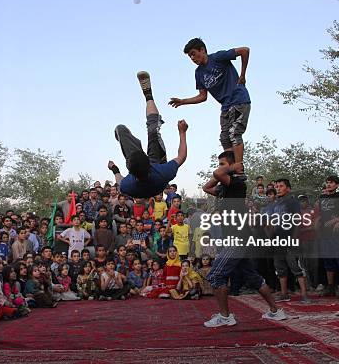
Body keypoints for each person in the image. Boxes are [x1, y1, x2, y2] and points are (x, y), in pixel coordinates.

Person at [202, 151, 286, 327]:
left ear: (232, 166)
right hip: (237, 237)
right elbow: (206, 188)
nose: (220, 167)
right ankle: (276, 311)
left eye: (223, 163)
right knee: (252, 277)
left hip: (237, 238)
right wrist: (228, 168)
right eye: (220, 164)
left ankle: (225, 317)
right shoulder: (225, 188)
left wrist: (231, 168)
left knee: (216, 276)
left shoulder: (238, 184)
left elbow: (218, 174)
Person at [170, 38, 250, 168]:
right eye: (190, 56)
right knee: (225, 138)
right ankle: (230, 167)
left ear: (202, 50)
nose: (192, 58)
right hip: (225, 106)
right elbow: (202, 96)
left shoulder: (218, 58)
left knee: (234, 133)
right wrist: (183, 101)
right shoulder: (198, 73)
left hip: (238, 100)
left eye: (193, 53)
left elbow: (244, 51)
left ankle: (239, 168)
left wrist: (242, 74)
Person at [108, 71, 188, 199]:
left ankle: (127, 138)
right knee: (153, 131)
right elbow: (181, 157)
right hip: (158, 163)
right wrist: (182, 132)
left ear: (129, 167)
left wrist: (115, 170)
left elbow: (119, 180)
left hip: (144, 175)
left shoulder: (127, 185)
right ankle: (148, 95)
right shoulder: (163, 172)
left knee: (120, 130)